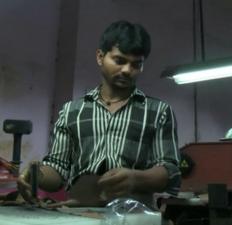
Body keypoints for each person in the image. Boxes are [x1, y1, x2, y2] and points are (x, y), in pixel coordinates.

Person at [17, 20, 181, 206]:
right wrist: (35, 175)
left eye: (136, 64)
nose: (127, 70)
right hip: (79, 214)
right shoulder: (72, 111)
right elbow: (58, 168)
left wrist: (136, 178)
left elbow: (171, 172)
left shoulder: (158, 112)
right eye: (119, 60)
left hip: (134, 216)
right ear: (100, 57)